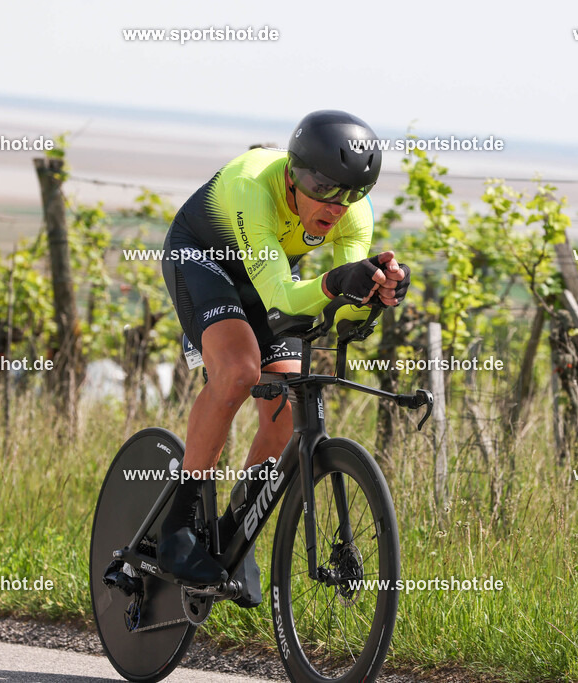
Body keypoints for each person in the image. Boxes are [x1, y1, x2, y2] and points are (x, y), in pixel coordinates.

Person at [158, 110, 410, 607]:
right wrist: (336, 284)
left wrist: (373, 299)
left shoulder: (355, 214)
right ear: (295, 173)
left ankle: (231, 532)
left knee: (287, 411)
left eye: (352, 192)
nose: (337, 206)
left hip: (265, 270)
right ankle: (177, 526)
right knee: (238, 372)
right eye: (325, 187)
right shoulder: (255, 186)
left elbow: (337, 312)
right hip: (203, 260)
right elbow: (281, 295)